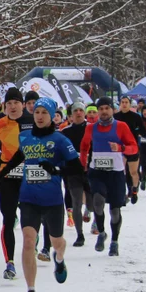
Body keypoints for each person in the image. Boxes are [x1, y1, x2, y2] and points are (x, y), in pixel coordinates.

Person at [0, 98, 83, 292]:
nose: (40, 116)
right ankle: (31, 291)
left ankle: (60, 259)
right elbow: (19, 157)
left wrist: (56, 170)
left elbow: (77, 169)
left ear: (53, 115)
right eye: (37, 112)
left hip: (52, 200)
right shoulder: (25, 137)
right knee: (28, 241)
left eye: (45, 112)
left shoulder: (60, 140)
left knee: (57, 242)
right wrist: (1, 173)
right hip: (29, 198)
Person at [79, 97, 139, 257]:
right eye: (101, 109)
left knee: (114, 211)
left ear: (112, 110)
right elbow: (84, 146)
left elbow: (134, 148)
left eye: (107, 108)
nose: (104, 111)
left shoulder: (121, 126)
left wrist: (121, 147)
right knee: (97, 202)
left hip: (116, 173)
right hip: (97, 172)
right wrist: (83, 162)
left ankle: (114, 241)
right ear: (98, 111)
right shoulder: (91, 128)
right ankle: (101, 233)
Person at [0, 87, 34, 280]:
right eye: (9, 104)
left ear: (22, 104)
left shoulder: (32, 121)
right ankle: (10, 262)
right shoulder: (1, 124)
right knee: (8, 217)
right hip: (7, 175)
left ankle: (32, 244)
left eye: (16, 103)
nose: (12, 107)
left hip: (30, 175)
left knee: (29, 218)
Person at [60, 102, 94, 246]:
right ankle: (80, 235)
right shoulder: (65, 132)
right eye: (76, 111)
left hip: (91, 170)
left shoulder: (92, 129)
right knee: (76, 202)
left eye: (81, 110)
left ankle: (90, 210)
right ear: (71, 115)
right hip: (73, 171)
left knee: (93, 201)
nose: (79, 113)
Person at [113, 96, 145, 203]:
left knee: (133, 172)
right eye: (122, 102)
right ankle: (123, 194)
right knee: (121, 171)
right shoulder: (115, 117)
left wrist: (139, 133)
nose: (124, 104)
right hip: (120, 148)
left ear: (130, 104)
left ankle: (134, 190)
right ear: (119, 104)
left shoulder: (136, 117)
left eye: (126, 102)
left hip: (133, 147)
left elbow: (143, 130)